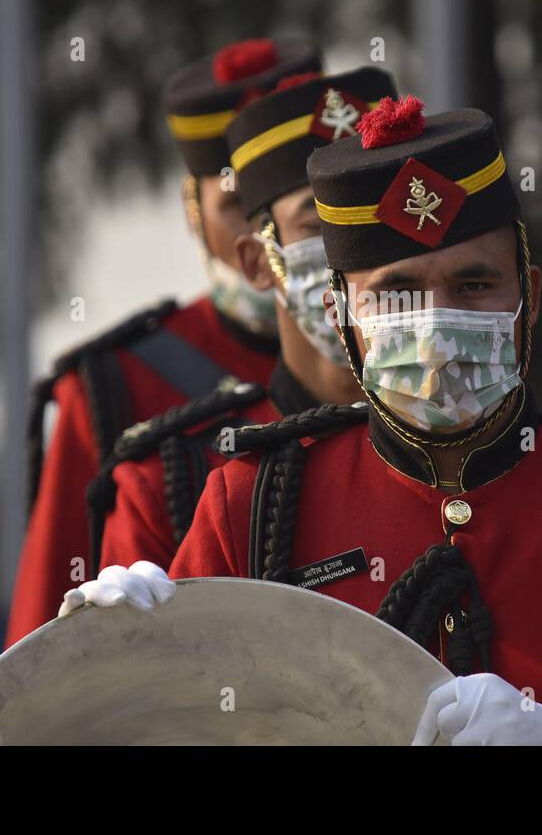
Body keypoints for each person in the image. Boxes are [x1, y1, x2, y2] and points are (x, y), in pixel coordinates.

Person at [62, 97, 542, 746]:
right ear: (341, 319)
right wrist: (111, 676)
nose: (434, 327)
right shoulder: (250, 506)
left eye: (472, 284)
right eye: (396, 292)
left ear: (531, 297)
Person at [4, 37, 321, 647]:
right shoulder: (113, 384)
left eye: (300, 206)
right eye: (238, 205)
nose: (267, 233)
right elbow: (36, 648)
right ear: (192, 211)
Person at [88, 67, 396, 572]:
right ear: (256, 261)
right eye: (318, 225)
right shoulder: (176, 482)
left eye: (374, 216)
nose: (357, 248)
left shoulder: (467, 453)